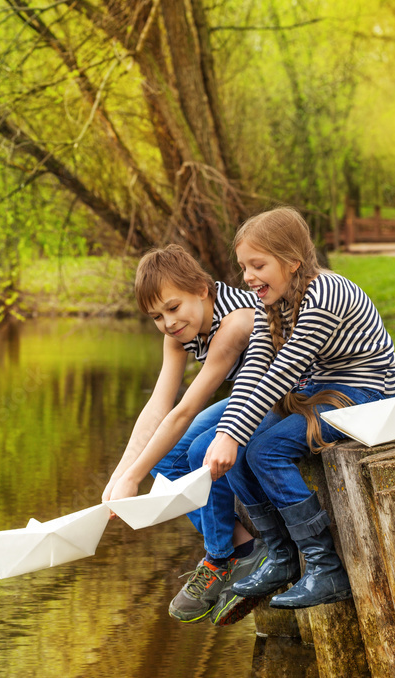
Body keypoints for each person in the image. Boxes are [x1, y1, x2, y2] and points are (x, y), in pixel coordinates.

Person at [197, 206, 395, 609]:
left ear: (292, 262)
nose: (248, 277)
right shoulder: (272, 304)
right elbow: (253, 373)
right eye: (243, 267)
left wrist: (231, 434)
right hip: (322, 389)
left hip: (364, 392)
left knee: (265, 450)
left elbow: (282, 373)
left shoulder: (324, 295)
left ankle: (327, 570)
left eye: (258, 265)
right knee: (239, 450)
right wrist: (227, 436)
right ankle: (282, 558)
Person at [102, 244, 268, 625]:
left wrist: (132, 477)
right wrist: (121, 474)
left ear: (202, 289)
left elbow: (184, 411)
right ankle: (242, 549)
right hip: (245, 401)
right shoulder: (177, 335)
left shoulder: (236, 322)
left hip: (281, 397)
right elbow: (158, 407)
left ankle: (220, 558)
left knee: (199, 452)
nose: (168, 322)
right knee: (166, 458)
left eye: (173, 308)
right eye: (156, 317)